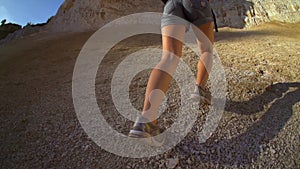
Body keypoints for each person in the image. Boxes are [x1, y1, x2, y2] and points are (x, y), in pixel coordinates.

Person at [128, 0, 216, 146]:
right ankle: (200, 89)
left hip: (171, 4)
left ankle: (146, 120)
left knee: (169, 57)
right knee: (206, 50)